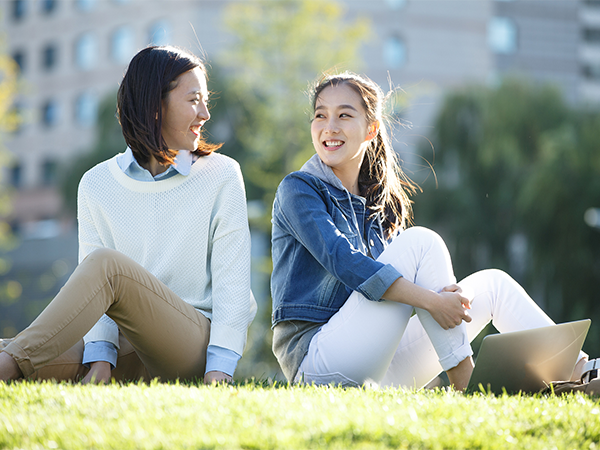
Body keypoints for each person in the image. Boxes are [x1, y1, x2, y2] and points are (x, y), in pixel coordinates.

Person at [270, 71, 587, 390]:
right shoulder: (299, 189)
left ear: (371, 129)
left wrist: (443, 299)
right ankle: (465, 382)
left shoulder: (376, 206)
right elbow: (343, 260)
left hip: (375, 370)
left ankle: (578, 373)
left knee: (494, 285)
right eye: (320, 116)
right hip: (317, 363)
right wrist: (433, 302)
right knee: (422, 242)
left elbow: (393, 298)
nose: (330, 127)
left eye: (344, 115)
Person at [0, 45, 257, 385]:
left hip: (194, 348)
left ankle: (9, 363)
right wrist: (100, 358)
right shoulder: (96, 183)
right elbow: (93, 295)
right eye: (194, 100)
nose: (205, 113)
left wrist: (218, 371)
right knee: (16, 349)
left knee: (107, 265)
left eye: (205, 99)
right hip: (128, 349)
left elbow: (233, 287)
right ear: (155, 105)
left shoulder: (220, 174)